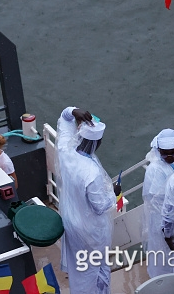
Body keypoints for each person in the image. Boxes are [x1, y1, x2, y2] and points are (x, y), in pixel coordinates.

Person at [56, 107, 120, 294]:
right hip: (91, 232)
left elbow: (64, 120)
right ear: (97, 142)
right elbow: (101, 205)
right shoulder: (91, 172)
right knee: (91, 270)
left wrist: (73, 111)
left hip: (71, 223)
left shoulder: (65, 151)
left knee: (79, 267)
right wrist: (114, 192)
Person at [142, 128, 174, 278]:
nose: (169, 156)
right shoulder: (155, 170)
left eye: (173, 152)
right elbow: (159, 206)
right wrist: (167, 233)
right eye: (165, 153)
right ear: (159, 150)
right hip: (163, 221)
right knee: (164, 256)